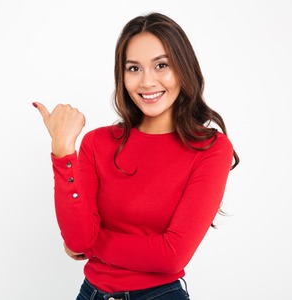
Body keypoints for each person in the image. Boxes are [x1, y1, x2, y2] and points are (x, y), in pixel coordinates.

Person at [33, 12, 239, 300]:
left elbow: (172, 256)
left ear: (183, 68)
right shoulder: (98, 142)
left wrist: (91, 245)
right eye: (134, 68)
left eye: (161, 65)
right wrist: (63, 150)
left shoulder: (210, 149)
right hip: (90, 293)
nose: (147, 82)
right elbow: (77, 238)